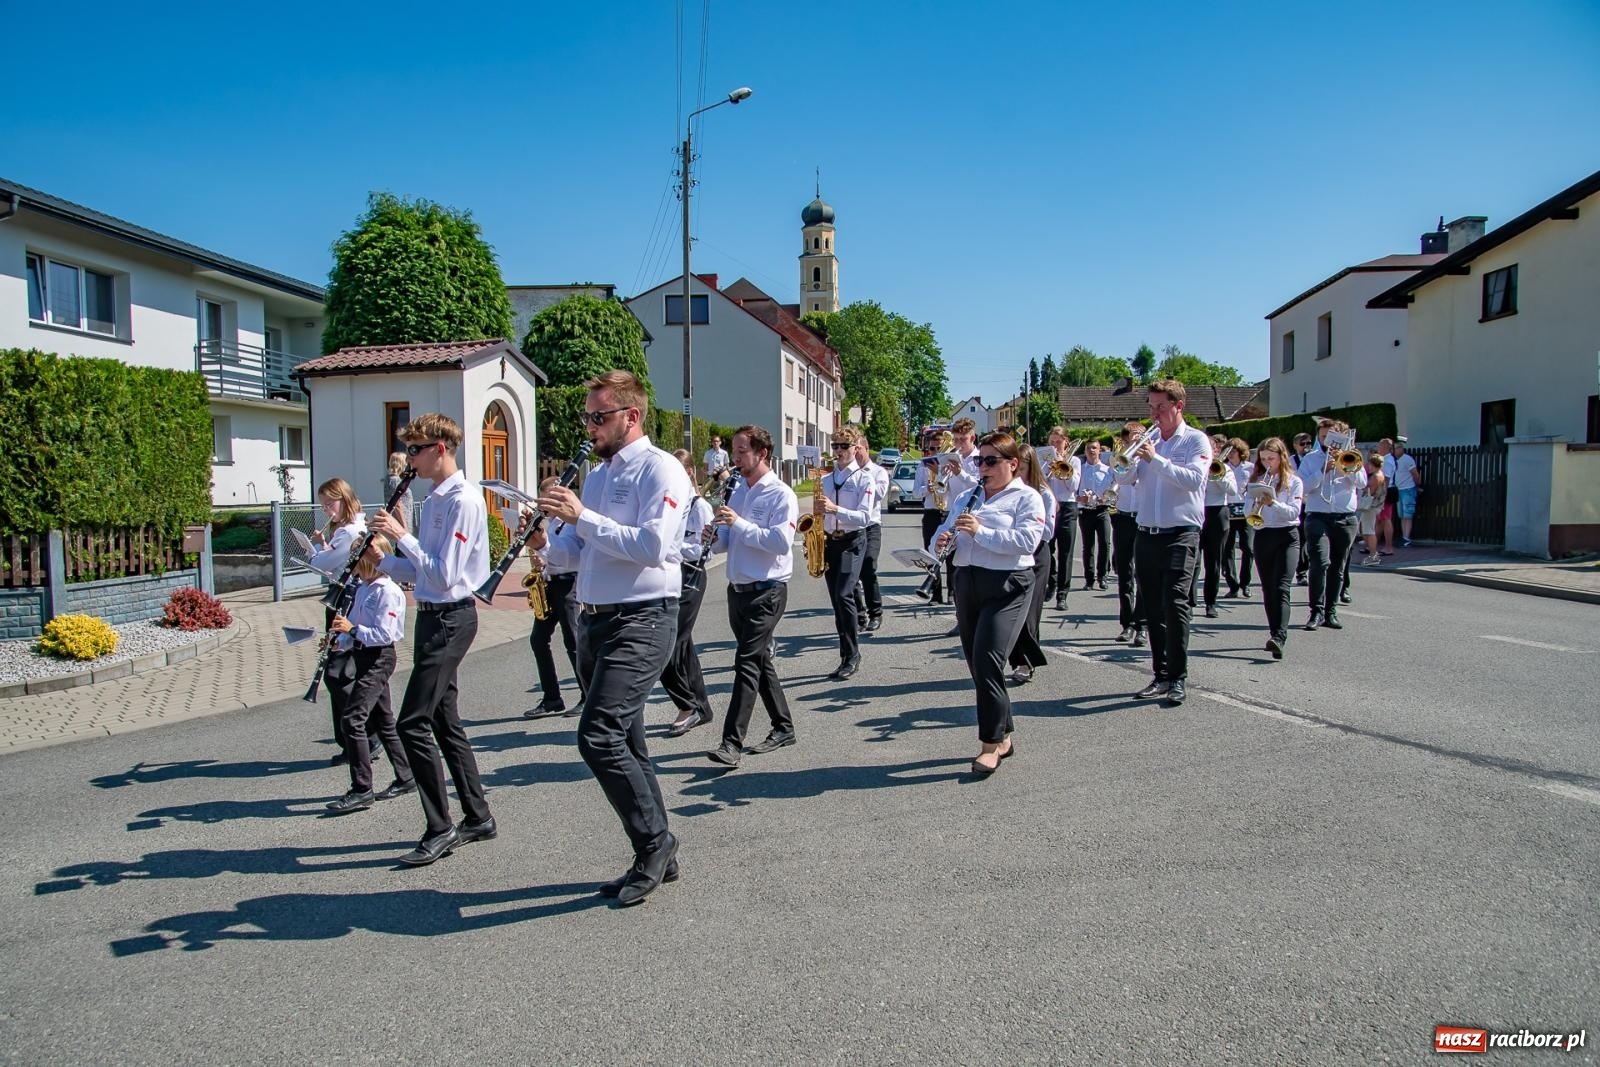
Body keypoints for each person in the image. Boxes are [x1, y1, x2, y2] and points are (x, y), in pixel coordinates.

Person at [531, 370, 690, 906]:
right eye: (587, 417)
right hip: (594, 618)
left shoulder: (660, 470)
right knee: (627, 740)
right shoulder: (597, 477)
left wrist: (584, 516)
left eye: (599, 417)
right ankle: (658, 849)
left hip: (644, 616)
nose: (590, 426)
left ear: (631, 416)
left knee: (597, 736)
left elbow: (652, 546)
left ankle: (654, 844)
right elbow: (583, 551)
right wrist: (549, 538)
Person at [368, 414, 496, 867]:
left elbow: (445, 574)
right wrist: (381, 561)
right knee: (443, 721)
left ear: (441, 448)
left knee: (411, 723)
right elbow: (425, 572)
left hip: (451, 621)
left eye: (417, 450)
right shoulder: (436, 498)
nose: (411, 460)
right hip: (432, 616)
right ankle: (477, 816)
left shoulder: (463, 500)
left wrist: (403, 536)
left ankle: (440, 826)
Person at [930, 431, 1044, 776]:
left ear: (1013, 463)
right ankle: (1004, 733)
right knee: (978, 666)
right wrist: (940, 542)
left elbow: (1027, 541)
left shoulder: (1027, 498)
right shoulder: (968, 495)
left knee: (988, 659)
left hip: (1008, 584)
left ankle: (990, 746)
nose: (983, 467)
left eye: (991, 460)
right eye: (980, 460)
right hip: (967, 582)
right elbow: (943, 530)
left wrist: (981, 532)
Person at [705, 425, 799, 767]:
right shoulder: (738, 491)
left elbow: (779, 542)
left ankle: (731, 743)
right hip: (738, 591)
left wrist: (739, 523)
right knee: (759, 661)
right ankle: (783, 725)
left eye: (742, 451)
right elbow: (728, 543)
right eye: (734, 451)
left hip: (767, 591)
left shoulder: (781, 494)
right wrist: (713, 536)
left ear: (762, 454)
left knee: (745, 662)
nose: (735, 458)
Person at [1116, 381, 1210, 706]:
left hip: (1181, 533)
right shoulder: (1148, 441)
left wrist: (1155, 459)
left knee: (1175, 604)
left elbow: (1193, 480)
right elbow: (1125, 478)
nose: (1154, 414)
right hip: (1147, 533)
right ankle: (1161, 674)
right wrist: (1128, 462)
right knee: (1153, 608)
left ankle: (1178, 678)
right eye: (1151, 407)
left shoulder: (1195, 440)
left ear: (1178, 406)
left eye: (1160, 408)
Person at [323, 533, 416, 813]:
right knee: (384, 720)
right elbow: (356, 628)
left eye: (357, 558)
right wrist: (339, 640)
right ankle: (406, 775)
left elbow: (385, 634)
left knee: (352, 720)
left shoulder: (387, 591)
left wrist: (351, 629)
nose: (352, 564)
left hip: (379, 658)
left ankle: (362, 788)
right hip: (362, 655)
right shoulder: (363, 587)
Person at [308, 477, 379, 766]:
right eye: (323, 504)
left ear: (345, 499)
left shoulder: (349, 532)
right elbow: (333, 562)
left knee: (338, 674)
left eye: (330, 503)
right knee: (341, 672)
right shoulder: (346, 530)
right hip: (344, 598)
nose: (326, 510)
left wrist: (315, 551)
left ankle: (362, 738)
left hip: (345, 602)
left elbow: (322, 564)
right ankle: (355, 740)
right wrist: (323, 545)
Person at [661, 450, 716, 737]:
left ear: (691, 473)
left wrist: (672, 547)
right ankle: (701, 706)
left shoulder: (699, 507)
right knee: (684, 646)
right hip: (670, 576)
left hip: (691, 575)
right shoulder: (670, 505)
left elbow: (703, 550)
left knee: (668, 645)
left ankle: (687, 705)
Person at [819, 426, 876, 680]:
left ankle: (853, 654)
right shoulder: (825, 479)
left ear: (856, 448)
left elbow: (864, 517)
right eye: (836, 446)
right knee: (836, 601)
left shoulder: (865, 478)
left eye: (844, 446)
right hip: (830, 542)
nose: (839, 451)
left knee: (844, 595)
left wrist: (835, 509)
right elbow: (821, 514)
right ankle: (844, 655)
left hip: (853, 540)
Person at [1299, 419, 1367, 631]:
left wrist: (1346, 466)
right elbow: (1302, 487)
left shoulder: (1353, 457)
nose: (1326, 441)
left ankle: (1331, 612)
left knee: (1338, 566)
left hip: (1345, 518)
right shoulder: (1311, 459)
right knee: (1319, 563)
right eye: (1322, 437)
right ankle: (1316, 612)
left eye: (1330, 437)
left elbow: (1362, 483)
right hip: (1317, 516)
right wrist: (1322, 470)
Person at [1244, 438, 1304, 660]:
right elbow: (1246, 513)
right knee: (1268, 588)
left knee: (1281, 586)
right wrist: (1255, 504)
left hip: (1287, 536)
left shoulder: (1294, 482)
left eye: (1272, 458)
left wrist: (1273, 503)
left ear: (1281, 457)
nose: (1267, 462)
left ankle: (1280, 636)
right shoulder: (1256, 480)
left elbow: (1293, 513)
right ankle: (1273, 633)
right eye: (1263, 458)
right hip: (1264, 534)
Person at [523, 530, 585, 720]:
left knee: (573, 641)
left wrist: (545, 551)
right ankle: (552, 698)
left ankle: (588, 695)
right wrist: (541, 565)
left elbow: (575, 557)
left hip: (569, 583)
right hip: (549, 583)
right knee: (538, 640)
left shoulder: (572, 524)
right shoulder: (550, 524)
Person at [1007, 444, 1055, 684]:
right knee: (1014, 613)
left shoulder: (1044, 494)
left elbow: (1047, 532)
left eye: (1022, 469)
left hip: (1037, 556)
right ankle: (1017, 660)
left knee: (1030, 613)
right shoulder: (1011, 492)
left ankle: (1027, 663)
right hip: (1014, 555)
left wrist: (1024, 526)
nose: (1018, 474)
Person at [1104, 424, 1144, 646]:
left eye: (1137, 438)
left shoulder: (1149, 458)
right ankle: (1128, 623)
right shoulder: (1120, 459)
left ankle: (1142, 625)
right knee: (1125, 573)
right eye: (1130, 439)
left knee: (1144, 574)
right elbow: (1117, 481)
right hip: (1122, 516)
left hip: (1144, 518)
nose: (1134, 442)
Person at [850, 434, 890, 633]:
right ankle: (859, 615)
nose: (855, 452)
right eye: (853, 448)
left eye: (858, 448)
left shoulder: (878, 472)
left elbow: (879, 495)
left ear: (866, 448)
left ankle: (876, 613)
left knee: (868, 567)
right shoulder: (848, 473)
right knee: (852, 573)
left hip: (872, 525)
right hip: (853, 526)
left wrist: (863, 479)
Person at [914, 431, 955, 604]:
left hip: (948, 513)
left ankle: (952, 593)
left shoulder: (950, 467)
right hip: (931, 513)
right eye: (932, 449)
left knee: (952, 557)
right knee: (932, 555)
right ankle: (935, 594)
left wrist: (941, 475)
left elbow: (955, 490)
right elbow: (916, 493)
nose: (935, 452)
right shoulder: (922, 466)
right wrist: (927, 489)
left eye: (939, 449)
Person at [1197, 434, 1235, 619]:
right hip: (1197, 512)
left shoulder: (1225, 468)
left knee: (1213, 563)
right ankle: (1188, 601)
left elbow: (1233, 491)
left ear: (1216, 451)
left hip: (1218, 513)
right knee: (1193, 562)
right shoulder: (1195, 466)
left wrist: (1217, 476)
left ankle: (1210, 602)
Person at [1044, 426, 1080, 611]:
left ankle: (1062, 594)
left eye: (1058, 442)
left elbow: (1073, 487)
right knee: (1046, 549)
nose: (1055, 446)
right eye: (1052, 442)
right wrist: (1049, 468)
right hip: (1049, 507)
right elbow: (1039, 481)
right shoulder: (1045, 461)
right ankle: (1051, 582)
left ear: (1066, 441)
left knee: (1066, 553)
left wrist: (1061, 465)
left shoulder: (1074, 461)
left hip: (1067, 507)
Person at [1077, 439, 1114, 591]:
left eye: (1094, 448)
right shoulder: (1081, 470)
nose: (1091, 451)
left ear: (1099, 451)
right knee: (1088, 546)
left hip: (1102, 510)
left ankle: (1103, 576)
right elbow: (1074, 493)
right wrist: (1081, 498)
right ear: (1085, 451)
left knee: (1105, 544)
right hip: (1085, 511)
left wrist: (1106, 498)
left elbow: (1114, 490)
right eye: (1088, 448)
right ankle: (1089, 579)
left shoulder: (1107, 470)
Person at [1221, 437, 1255, 600]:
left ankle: (1245, 583)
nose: (1231, 454)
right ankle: (1232, 584)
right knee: (1227, 549)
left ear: (1241, 452)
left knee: (1247, 547)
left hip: (1245, 510)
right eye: (1228, 451)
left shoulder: (1250, 468)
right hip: (1228, 509)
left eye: (1234, 451)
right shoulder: (1222, 467)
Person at [1290, 433, 1315, 584]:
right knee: (1302, 539)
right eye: (1302, 444)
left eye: (1309, 443)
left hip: (1314, 504)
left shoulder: (1314, 459)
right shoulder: (1291, 461)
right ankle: (1301, 572)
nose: (1306, 446)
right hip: (1300, 505)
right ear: (1295, 445)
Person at [1391, 437, 1422, 546]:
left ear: (1401, 449)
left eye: (1396, 449)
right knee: (1402, 514)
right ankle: (1404, 536)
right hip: (1399, 489)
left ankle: (1407, 537)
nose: (1394, 451)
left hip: (1408, 489)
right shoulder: (1395, 460)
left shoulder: (1407, 459)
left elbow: (1415, 473)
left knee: (1408, 514)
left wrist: (1417, 485)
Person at [1358, 453, 1387, 566]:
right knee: (1363, 530)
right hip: (1374, 506)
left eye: (1369, 464)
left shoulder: (1376, 477)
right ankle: (1372, 553)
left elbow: (1370, 492)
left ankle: (1373, 555)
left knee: (1368, 531)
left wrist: (1364, 489)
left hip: (1371, 506)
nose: (1367, 466)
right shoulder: (1379, 474)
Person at [382, 451, 415, 528]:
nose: (406, 464)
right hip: (401, 520)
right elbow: (397, 504)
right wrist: (404, 526)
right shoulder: (394, 480)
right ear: (400, 463)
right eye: (405, 462)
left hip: (401, 519)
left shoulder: (390, 478)